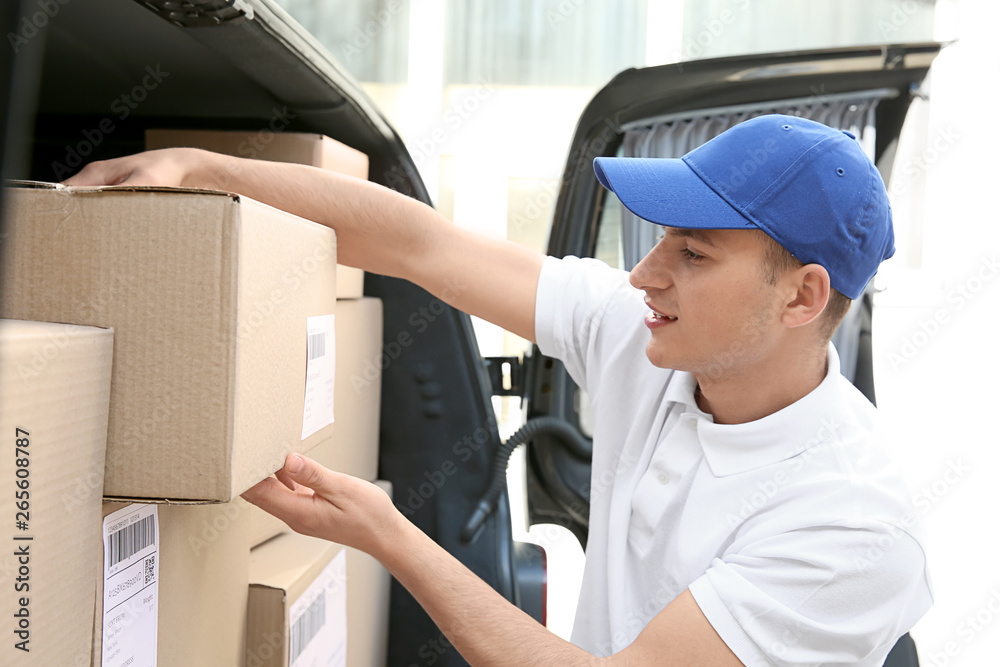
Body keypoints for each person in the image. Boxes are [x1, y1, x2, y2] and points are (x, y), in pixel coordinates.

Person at [66, 114, 932, 665]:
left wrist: (389, 534)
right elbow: (422, 247)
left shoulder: (850, 524)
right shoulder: (656, 342)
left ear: (803, 295)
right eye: (659, 241)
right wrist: (201, 166)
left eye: (692, 254)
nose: (644, 276)